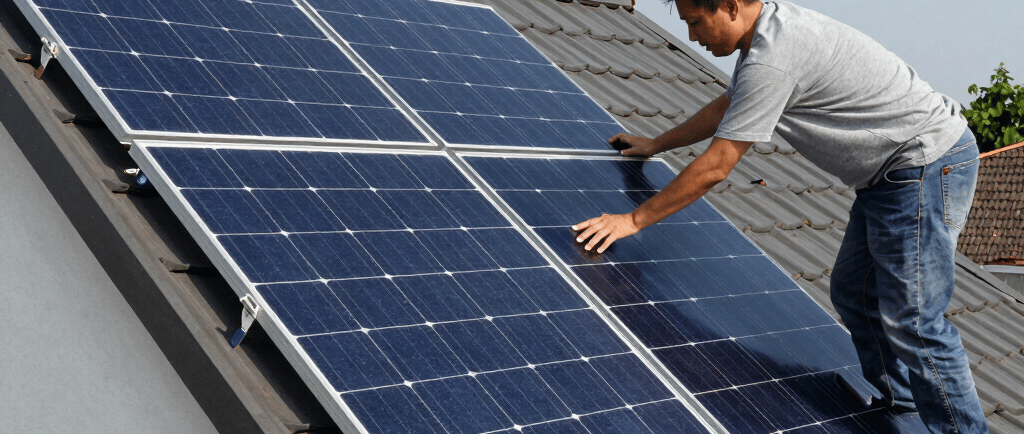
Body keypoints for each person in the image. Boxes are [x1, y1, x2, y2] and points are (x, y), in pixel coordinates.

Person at [572, 0, 988, 432]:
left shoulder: (773, 58)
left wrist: (633, 221)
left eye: (696, 22)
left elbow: (717, 166)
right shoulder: (767, 32)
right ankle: (903, 403)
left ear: (730, 6)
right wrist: (658, 143)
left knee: (915, 321)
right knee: (854, 292)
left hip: (924, 165)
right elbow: (729, 106)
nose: (693, 36)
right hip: (890, 173)